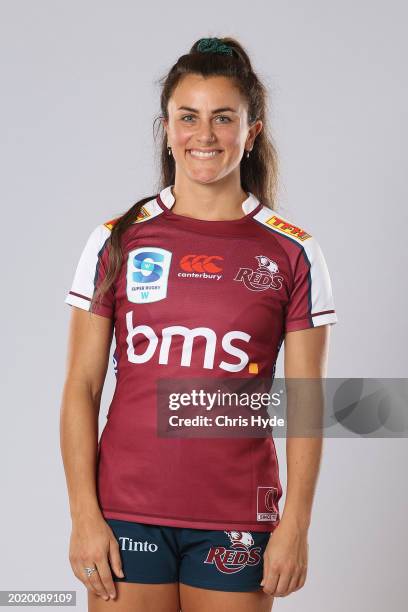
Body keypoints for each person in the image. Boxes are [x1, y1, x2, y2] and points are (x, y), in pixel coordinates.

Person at [60, 36, 338, 612]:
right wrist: (85, 515)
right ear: (166, 127)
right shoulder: (117, 238)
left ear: (252, 131)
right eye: (188, 117)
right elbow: (82, 388)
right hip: (125, 513)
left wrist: (295, 526)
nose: (204, 135)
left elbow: (306, 399)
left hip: (239, 518)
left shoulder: (293, 253)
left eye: (223, 118)